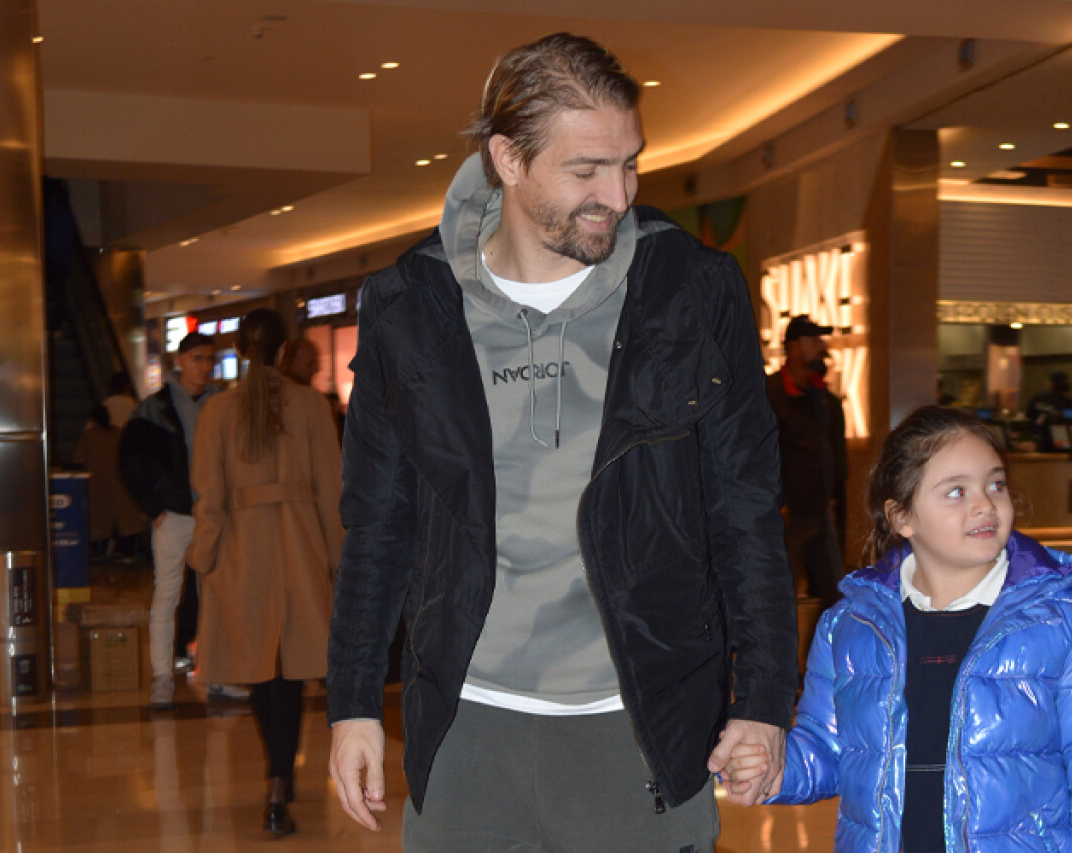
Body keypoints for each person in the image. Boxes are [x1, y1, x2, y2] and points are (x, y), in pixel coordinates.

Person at [326, 32, 798, 852]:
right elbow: (377, 525)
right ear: (508, 160)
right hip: (467, 727)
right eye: (587, 171)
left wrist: (762, 699)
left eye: (630, 164)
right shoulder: (409, 306)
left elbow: (746, 511)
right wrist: (354, 701)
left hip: (642, 724)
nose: (617, 194)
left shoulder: (689, 290)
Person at [721, 406, 1072, 852]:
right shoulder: (850, 628)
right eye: (956, 492)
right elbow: (830, 751)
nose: (985, 504)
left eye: (996, 484)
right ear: (901, 517)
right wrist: (772, 767)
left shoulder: (1067, 625)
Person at [187, 308, 344, 836]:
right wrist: (340, 559)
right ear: (282, 350)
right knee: (292, 673)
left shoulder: (217, 411)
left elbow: (209, 496)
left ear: (239, 350)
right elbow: (332, 491)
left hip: (242, 552)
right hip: (300, 550)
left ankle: (277, 778)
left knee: (262, 669)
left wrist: (204, 557)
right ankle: (280, 781)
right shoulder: (311, 406)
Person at [119, 331, 229, 710]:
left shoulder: (222, 404)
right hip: (174, 515)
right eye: (198, 358)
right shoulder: (153, 410)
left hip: (213, 513)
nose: (205, 367)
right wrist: (155, 508)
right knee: (167, 594)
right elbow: (130, 462)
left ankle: (217, 673)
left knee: (215, 595)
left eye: (210, 359)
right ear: (180, 361)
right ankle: (162, 677)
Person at [766, 314, 848, 607]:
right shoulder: (770, 393)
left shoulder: (821, 396)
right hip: (786, 515)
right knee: (778, 596)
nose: (821, 347)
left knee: (836, 596)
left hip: (819, 512)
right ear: (793, 347)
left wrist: (834, 500)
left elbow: (831, 453)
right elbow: (762, 454)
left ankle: (825, 640)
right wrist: (775, 502)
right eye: (813, 341)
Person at [73, 403, 145, 558]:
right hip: (120, 481)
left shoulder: (89, 435)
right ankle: (127, 552)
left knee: (98, 519)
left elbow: (78, 459)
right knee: (125, 520)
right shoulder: (118, 433)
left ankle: (98, 550)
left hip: (97, 483)